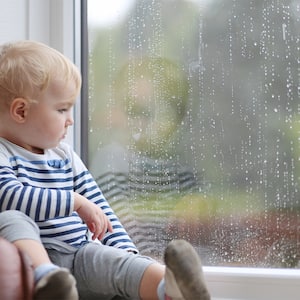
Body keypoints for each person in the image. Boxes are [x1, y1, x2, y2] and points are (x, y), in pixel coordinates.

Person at [0, 40, 210, 300]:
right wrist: (74, 202)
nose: (70, 119)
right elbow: (9, 196)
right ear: (21, 111)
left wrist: (127, 252)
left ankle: (169, 289)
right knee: (10, 220)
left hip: (80, 254)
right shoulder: (3, 154)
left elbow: (100, 207)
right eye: (62, 109)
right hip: (32, 263)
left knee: (120, 265)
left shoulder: (64, 155)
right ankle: (47, 281)